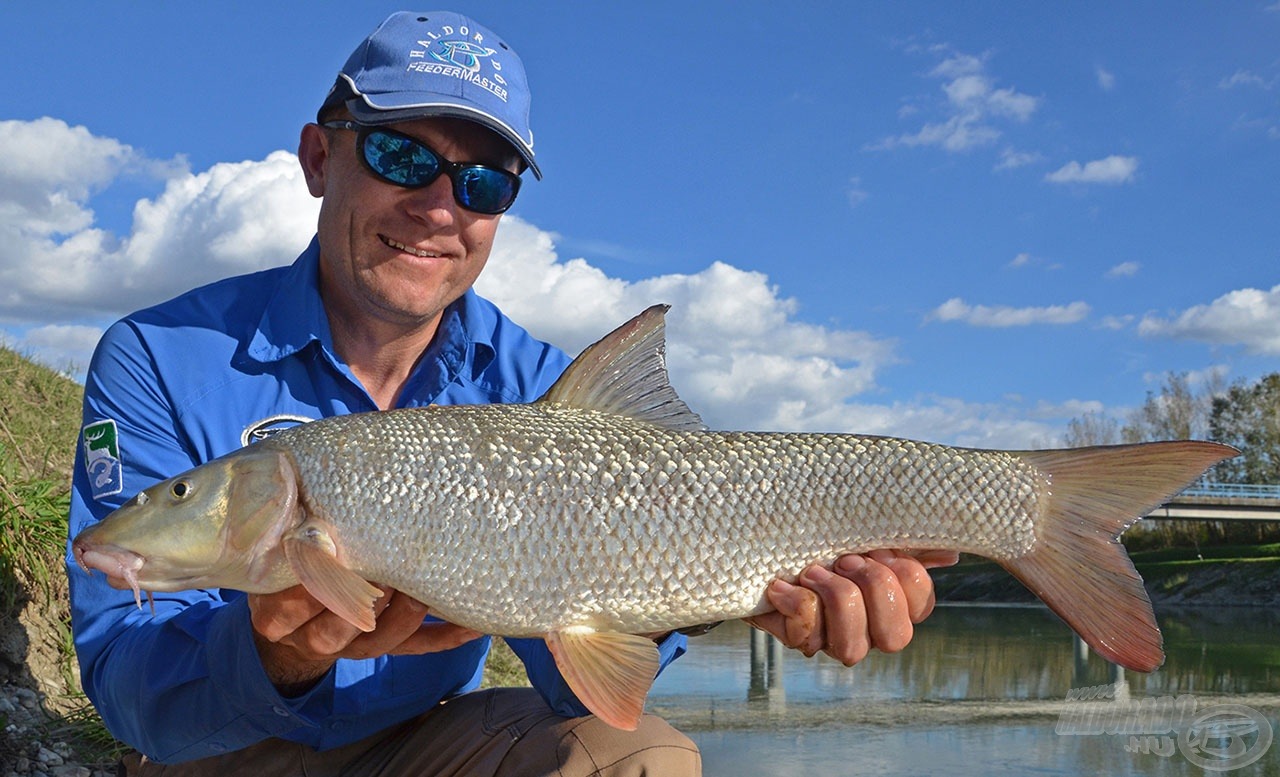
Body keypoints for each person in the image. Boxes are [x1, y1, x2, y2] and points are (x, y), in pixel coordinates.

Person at [66, 10, 957, 776]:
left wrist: (744, 592)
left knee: (642, 756)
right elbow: (125, 683)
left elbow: (585, 670)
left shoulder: (536, 386)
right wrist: (274, 654)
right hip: (218, 753)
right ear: (317, 156)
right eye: (398, 153)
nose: (441, 205)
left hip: (422, 741)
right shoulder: (156, 356)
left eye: (484, 180)